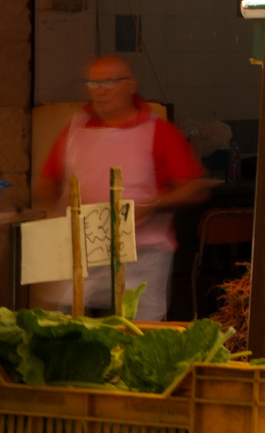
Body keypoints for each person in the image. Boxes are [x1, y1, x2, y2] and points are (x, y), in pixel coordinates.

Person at [32, 55, 210, 321]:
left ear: (130, 85)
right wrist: (52, 216)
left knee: (136, 339)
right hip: (82, 254)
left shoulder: (159, 132)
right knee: (71, 335)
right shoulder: (74, 131)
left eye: (109, 82)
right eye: (93, 82)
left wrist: (155, 205)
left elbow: (196, 187)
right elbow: (46, 185)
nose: (99, 90)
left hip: (142, 257)